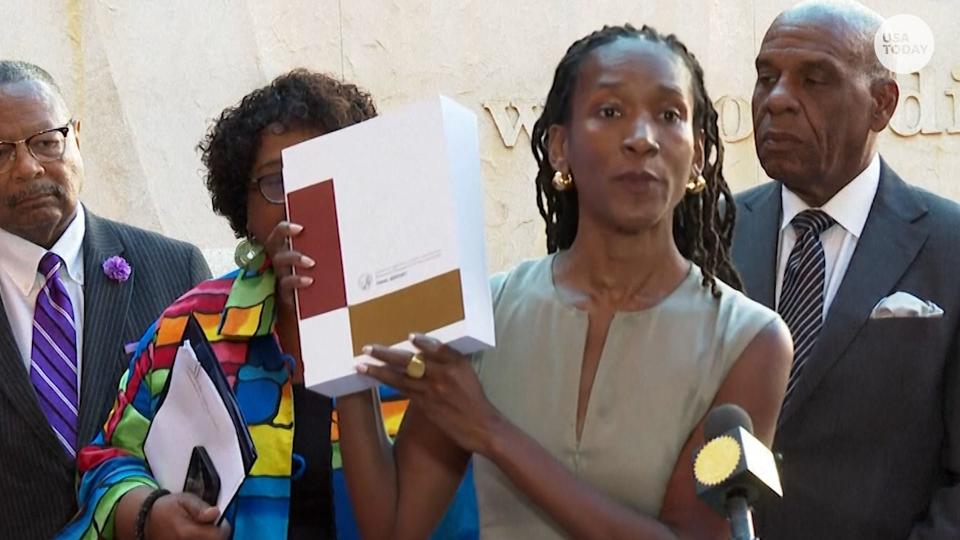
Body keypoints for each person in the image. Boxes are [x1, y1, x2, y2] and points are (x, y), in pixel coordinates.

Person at [336, 24, 793, 539]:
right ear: (559, 148)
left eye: (669, 115)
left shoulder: (751, 340)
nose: (642, 139)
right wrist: (340, 354)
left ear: (697, 153)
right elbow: (393, 527)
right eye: (610, 112)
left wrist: (491, 430)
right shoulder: (487, 311)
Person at [56, 69, 377, 540]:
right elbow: (108, 463)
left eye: (321, 172)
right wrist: (150, 514)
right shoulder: (189, 326)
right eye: (275, 181)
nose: (299, 200)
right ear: (243, 208)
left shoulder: (414, 320)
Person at [732, 1, 960, 538]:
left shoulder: (949, 246)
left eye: (815, 79)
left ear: (882, 105)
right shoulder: (708, 235)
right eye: (767, 77)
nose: (778, 100)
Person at [0, 60, 210, 539]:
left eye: (46, 141)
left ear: (76, 136)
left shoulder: (175, 270)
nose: (28, 167)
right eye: (0, 152)